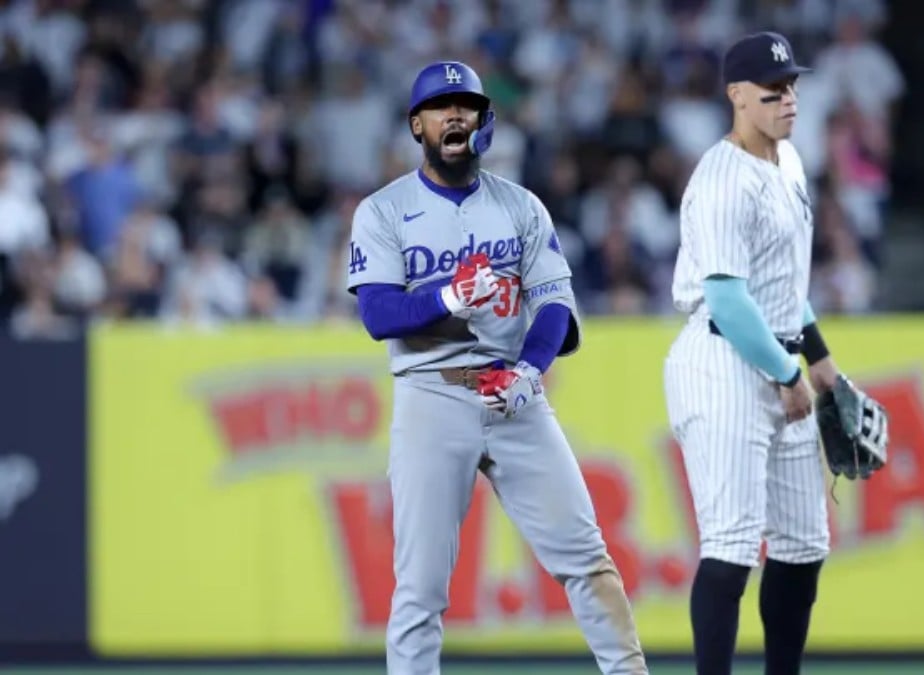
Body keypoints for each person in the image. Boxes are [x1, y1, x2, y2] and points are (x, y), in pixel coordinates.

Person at [346, 60, 649, 675]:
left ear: (485, 121)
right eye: (441, 106)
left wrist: (531, 372)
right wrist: (448, 299)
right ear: (417, 125)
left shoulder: (520, 205)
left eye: (467, 105)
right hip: (431, 394)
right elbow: (378, 313)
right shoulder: (382, 210)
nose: (455, 114)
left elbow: (556, 304)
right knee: (420, 590)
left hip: (515, 394)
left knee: (588, 559)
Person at [663, 32, 848, 675]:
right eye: (773, 91)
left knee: (802, 544)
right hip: (721, 362)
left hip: (779, 356)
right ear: (737, 97)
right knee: (733, 545)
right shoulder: (720, 181)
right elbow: (729, 300)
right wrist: (788, 372)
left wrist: (818, 359)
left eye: (793, 85)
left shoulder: (788, 160)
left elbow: (781, 285)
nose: (788, 98)